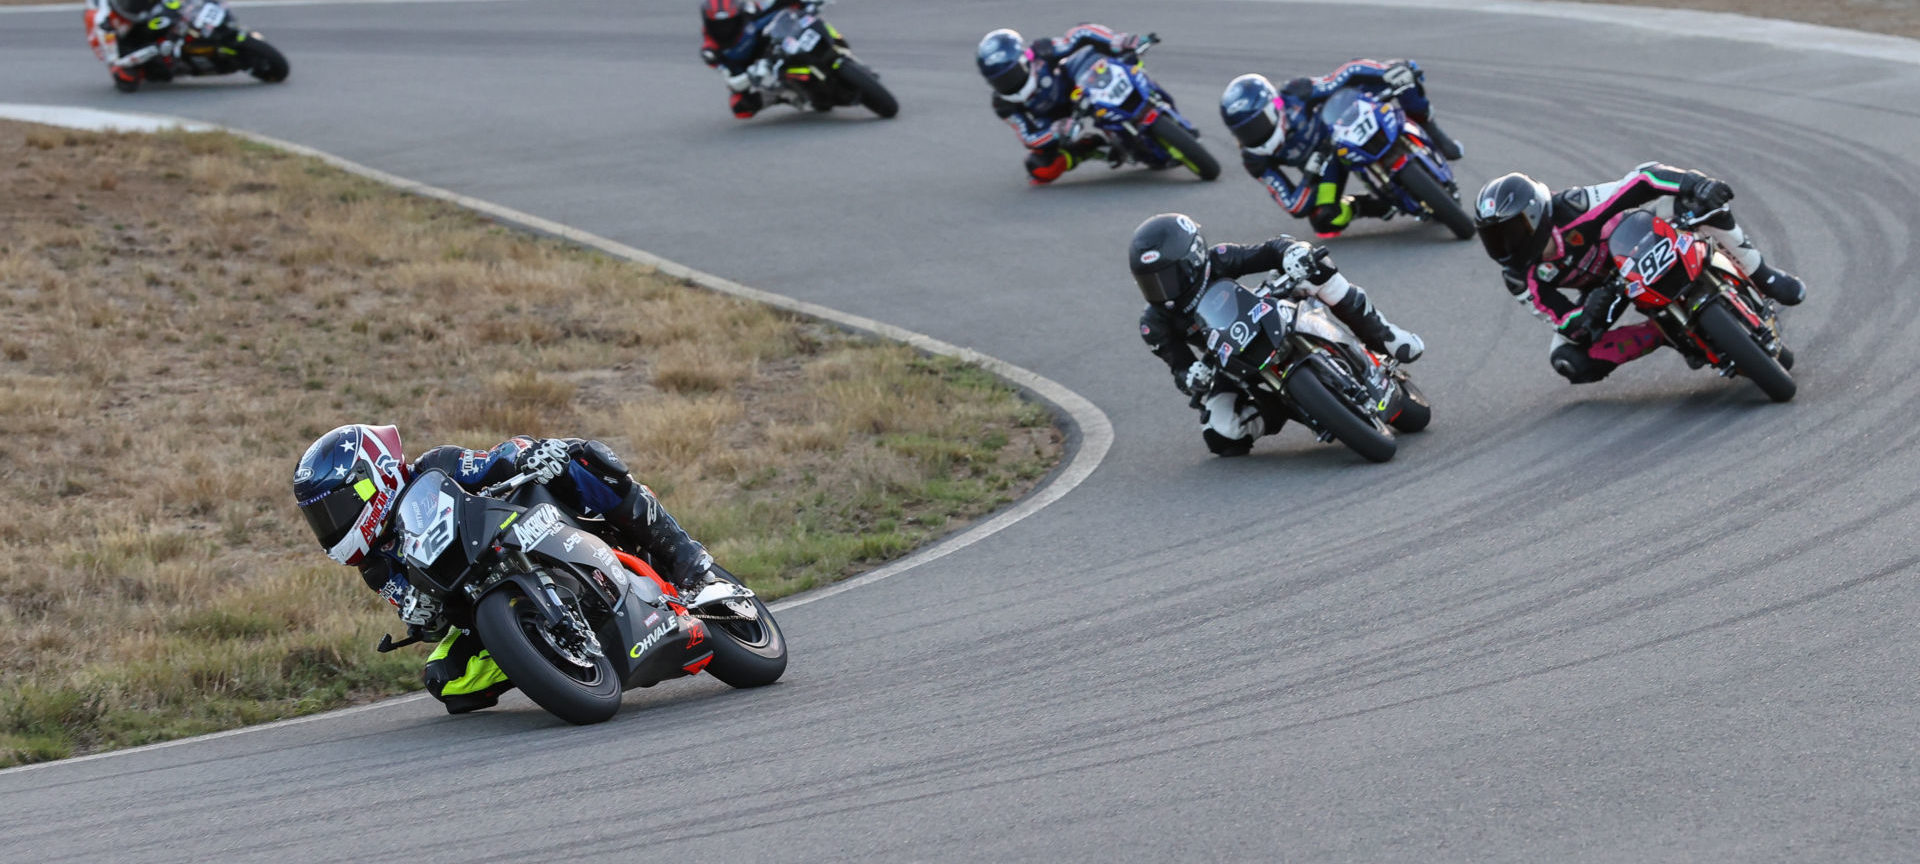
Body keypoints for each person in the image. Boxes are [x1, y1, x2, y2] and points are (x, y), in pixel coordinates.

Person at [292, 425, 715, 713]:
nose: (330, 525)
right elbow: (421, 615)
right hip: (482, 599)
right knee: (446, 680)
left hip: (535, 529)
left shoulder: (435, 465)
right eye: (321, 518)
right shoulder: (376, 566)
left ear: (372, 477)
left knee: (579, 457)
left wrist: (531, 454)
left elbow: (496, 458)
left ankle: (684, 556)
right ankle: (550, 659)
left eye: (334, 510)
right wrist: (421, 617)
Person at [1473, 165, 1806, 383]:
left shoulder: (1573, 207)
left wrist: (1694, 183)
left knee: (1701, 203)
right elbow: (1560, 320)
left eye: (1512, 231)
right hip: (1605, 293)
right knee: (1568, 359)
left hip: (1637, 239)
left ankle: (1762, 275)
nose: (1506, 245)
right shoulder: (1518, 277)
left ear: (1535, 215)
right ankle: (1663, 331)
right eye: (1496, 237)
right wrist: (1588, 313)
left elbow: (1642, 180)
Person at [1130, 213, 1425, 456]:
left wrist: (1292, 252)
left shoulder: (1218, 259)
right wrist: (1191, 376)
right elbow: (1179, 366)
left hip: (1261, 312)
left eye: (1166, 277)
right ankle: (1278, 408)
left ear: (1192, 259)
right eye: (1151, 283)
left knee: (1315, 267)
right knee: (1221, 434)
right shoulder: (1154, 322)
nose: (1162, 290)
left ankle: (1384, 335)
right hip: (1226, 359)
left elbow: (1268, 251)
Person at [1218, 60, 1463, 237]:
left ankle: (1435, 133)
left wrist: (1385, 73)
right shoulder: (1254, 159)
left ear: (1273, 108)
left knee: (1404, 74)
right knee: (1324, 220)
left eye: (1256, 125)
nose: (1252, 135)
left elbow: (1347, 73)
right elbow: (1294, 205)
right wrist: (1311, 173)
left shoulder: (1296, 92)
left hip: (1346, 119)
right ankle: (1369, 207)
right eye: (1243, 131)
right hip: (1326, 162)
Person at [975, 24, 1149, 184]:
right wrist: (1054, 132)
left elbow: (1080, 33)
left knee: (1101, 56)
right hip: (1057, 118)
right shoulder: (1003, 104)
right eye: (1000, 81)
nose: (1009, 84)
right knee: (1040, 168)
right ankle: (1086, 149)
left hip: (1074, 84)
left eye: (1011, 75)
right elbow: (1028, 136)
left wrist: (1117, 40)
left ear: (1024, 60)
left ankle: (1142, 86)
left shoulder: (1042, 50)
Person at [699, 0, 814, 119]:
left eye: (728, 22)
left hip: (774, 41)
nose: (724, 29)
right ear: (708, 23)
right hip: (751, 66)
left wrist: (807, 4)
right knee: (740, 107)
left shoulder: (751, 12)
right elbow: (732, 80)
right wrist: (751, 75)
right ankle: (785, 94)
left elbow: (776, 5)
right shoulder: (711, 51)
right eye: (718, 25)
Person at [85, 0, 178, 92]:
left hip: (138, 21)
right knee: (127, 78)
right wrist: (153, 50)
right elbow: (114, 61)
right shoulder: (102, 23)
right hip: (126, 48)